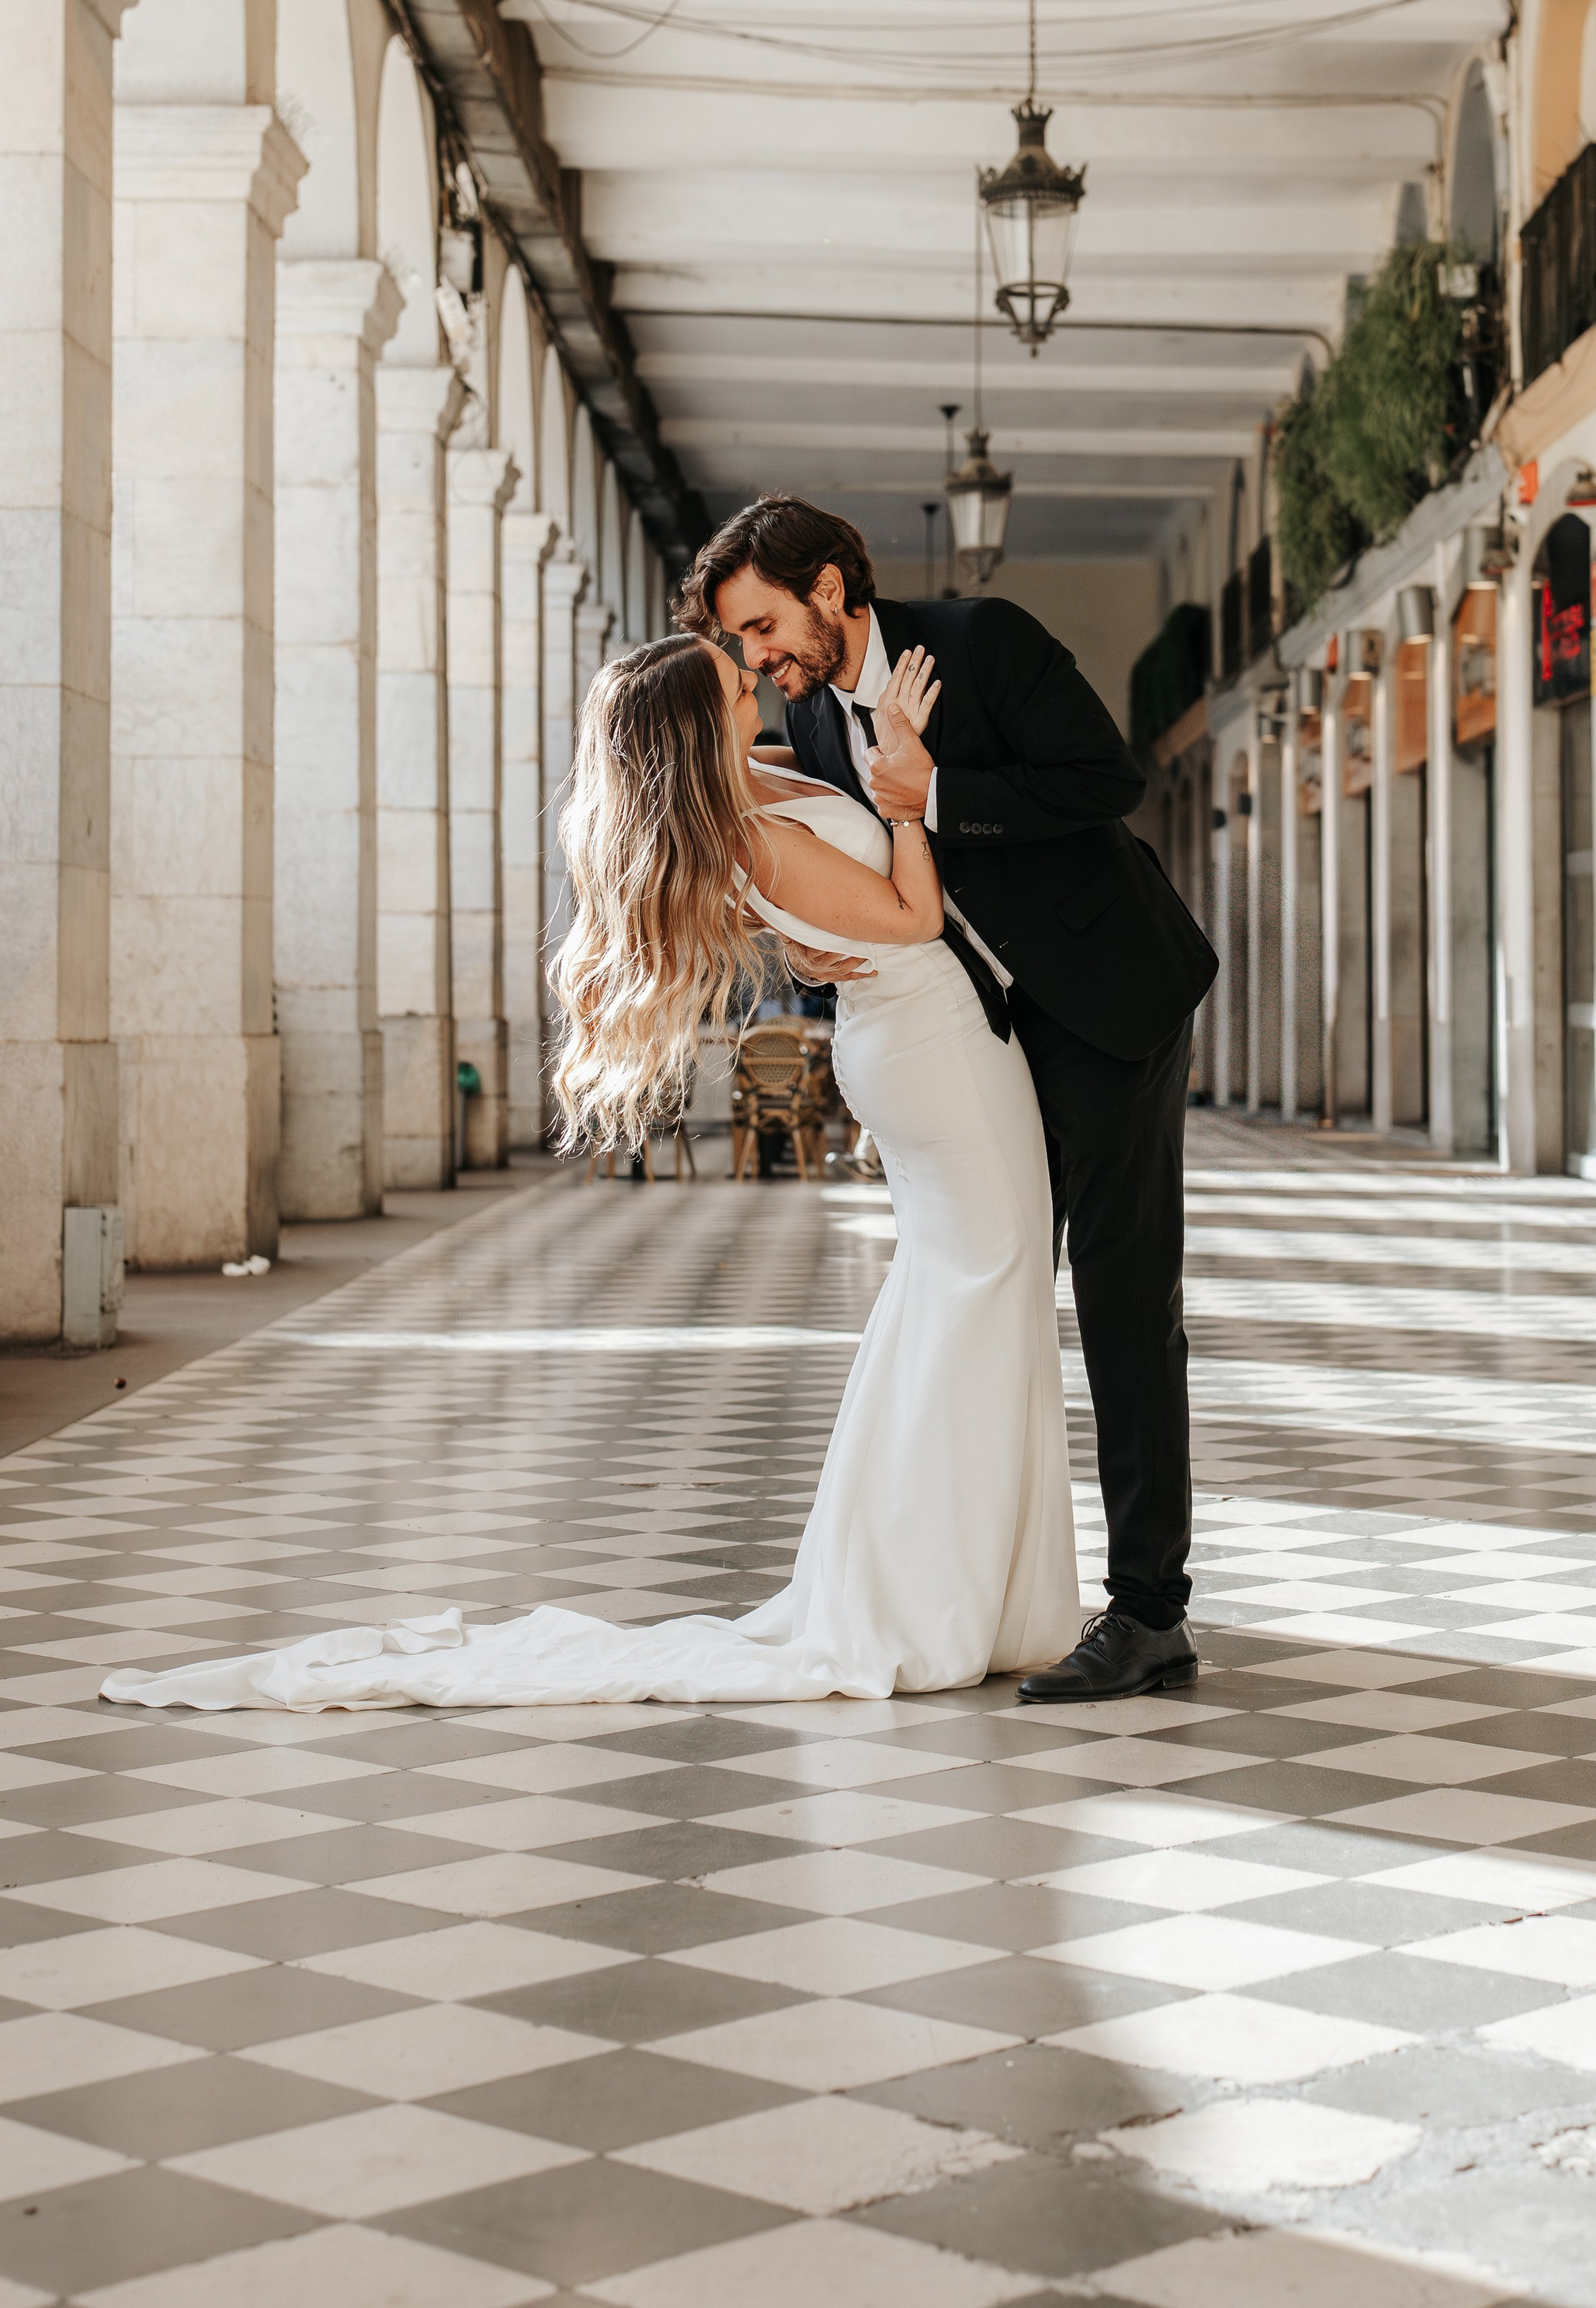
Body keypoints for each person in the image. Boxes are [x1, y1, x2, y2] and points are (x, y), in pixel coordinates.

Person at [102, 631, 1081, 1710]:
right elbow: (912, 915)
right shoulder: (746, 832)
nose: (753, 677)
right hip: (934, 1051)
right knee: (984, 1289)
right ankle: (935, 1597)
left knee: (964, 1294)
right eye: (730, 681)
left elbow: (847, 881)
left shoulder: (746, 787)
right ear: (699, 727)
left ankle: (968, 1587)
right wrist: (905, 801)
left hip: (925, 1045)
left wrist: (878, 777)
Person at [681, 495, 1217, 1704]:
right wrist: (812, 950)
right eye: (743, 645)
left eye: (763, 627)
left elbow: (1106, 780)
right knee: (1004, 1293)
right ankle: (999, 1582)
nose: (757, 661)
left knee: (1124, 1301)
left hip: (1110, 1003)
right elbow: (839, 869)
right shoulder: (813, 719)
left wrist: (939, 788)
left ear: (827, 585)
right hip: (987, 1034)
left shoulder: (981, 641)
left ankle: (1149, 1615)